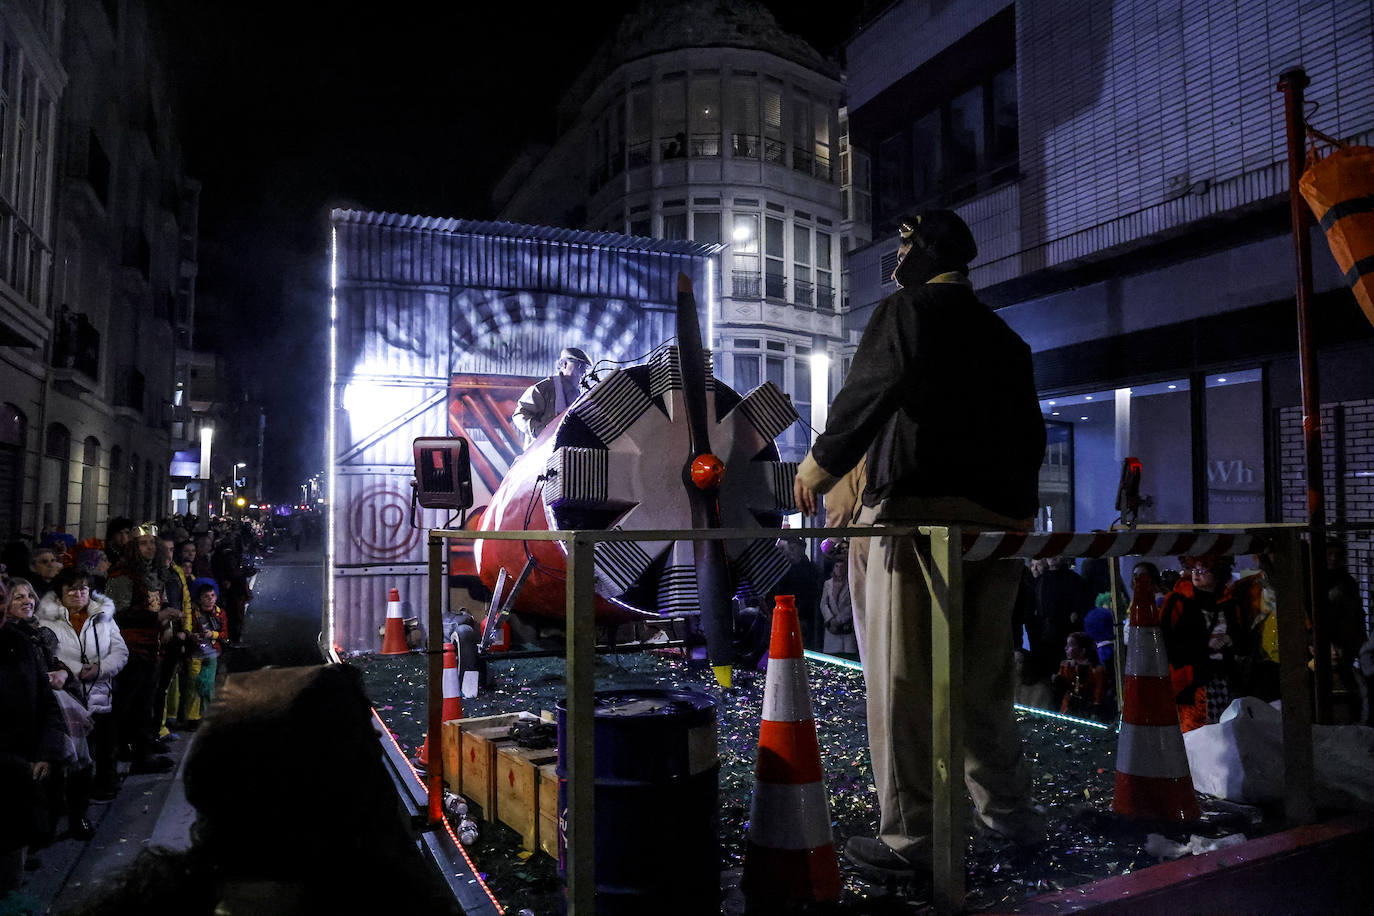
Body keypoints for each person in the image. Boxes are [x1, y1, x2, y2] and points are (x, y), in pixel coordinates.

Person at [793, 210, 1046, 881]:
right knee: (984, 685)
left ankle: (915, 840)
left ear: (925, 249)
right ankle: (1010, 817)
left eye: (903, 242)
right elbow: (1030, 438)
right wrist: (1015, 519)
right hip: (995, 530)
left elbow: (872, 389)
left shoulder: (911, 311)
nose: (895, 255)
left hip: (916, 521)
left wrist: (819, 465)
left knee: (903, 685)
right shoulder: (1007, 340)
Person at [35, 567, 127, 803]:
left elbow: (120, 651)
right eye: (72, 589)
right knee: (77, 753)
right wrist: (75, 672)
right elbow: (49, 658)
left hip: (100, 693)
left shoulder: (103, 616)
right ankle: (73, 799)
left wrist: (100, 668)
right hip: (69, 699)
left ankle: (104, 785)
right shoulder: (46, 622)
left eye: (83, 588)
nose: (78, 594)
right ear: (60, 594)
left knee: (105, 744)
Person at [0, 576, 65, 892]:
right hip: (10, 767)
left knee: (12, 867)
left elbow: (45, 701)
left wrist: (44, 753)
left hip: (24, 772)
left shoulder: (21, 643)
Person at [511, 347, 593, 446]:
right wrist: (543, 433)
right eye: (579, 366)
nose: (584, 372)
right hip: (540, 453)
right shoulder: (543, 388)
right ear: (564, 364)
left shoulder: (580, 395)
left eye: (586, 368)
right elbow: (520, 415)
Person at [1053, 632, 1109, 721]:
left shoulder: (1096, 670)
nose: (1066, 648)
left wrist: (1094, 711)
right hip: (1067, 709)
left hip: (1087, 712)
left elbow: (1098, 694)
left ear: (1082, 650)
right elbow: (1062, 688)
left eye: (1070, 645)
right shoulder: (1066, 666)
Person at [819, 554, 859, 658]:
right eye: (837, 566)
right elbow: (823, 603)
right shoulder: (828, 584)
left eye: (842, 566)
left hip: (846, 628)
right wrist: (830, 619)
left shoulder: (851, 583)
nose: (839, 569)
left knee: (848, 657)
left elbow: (852, 605)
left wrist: (839, 620)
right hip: (831, 629)